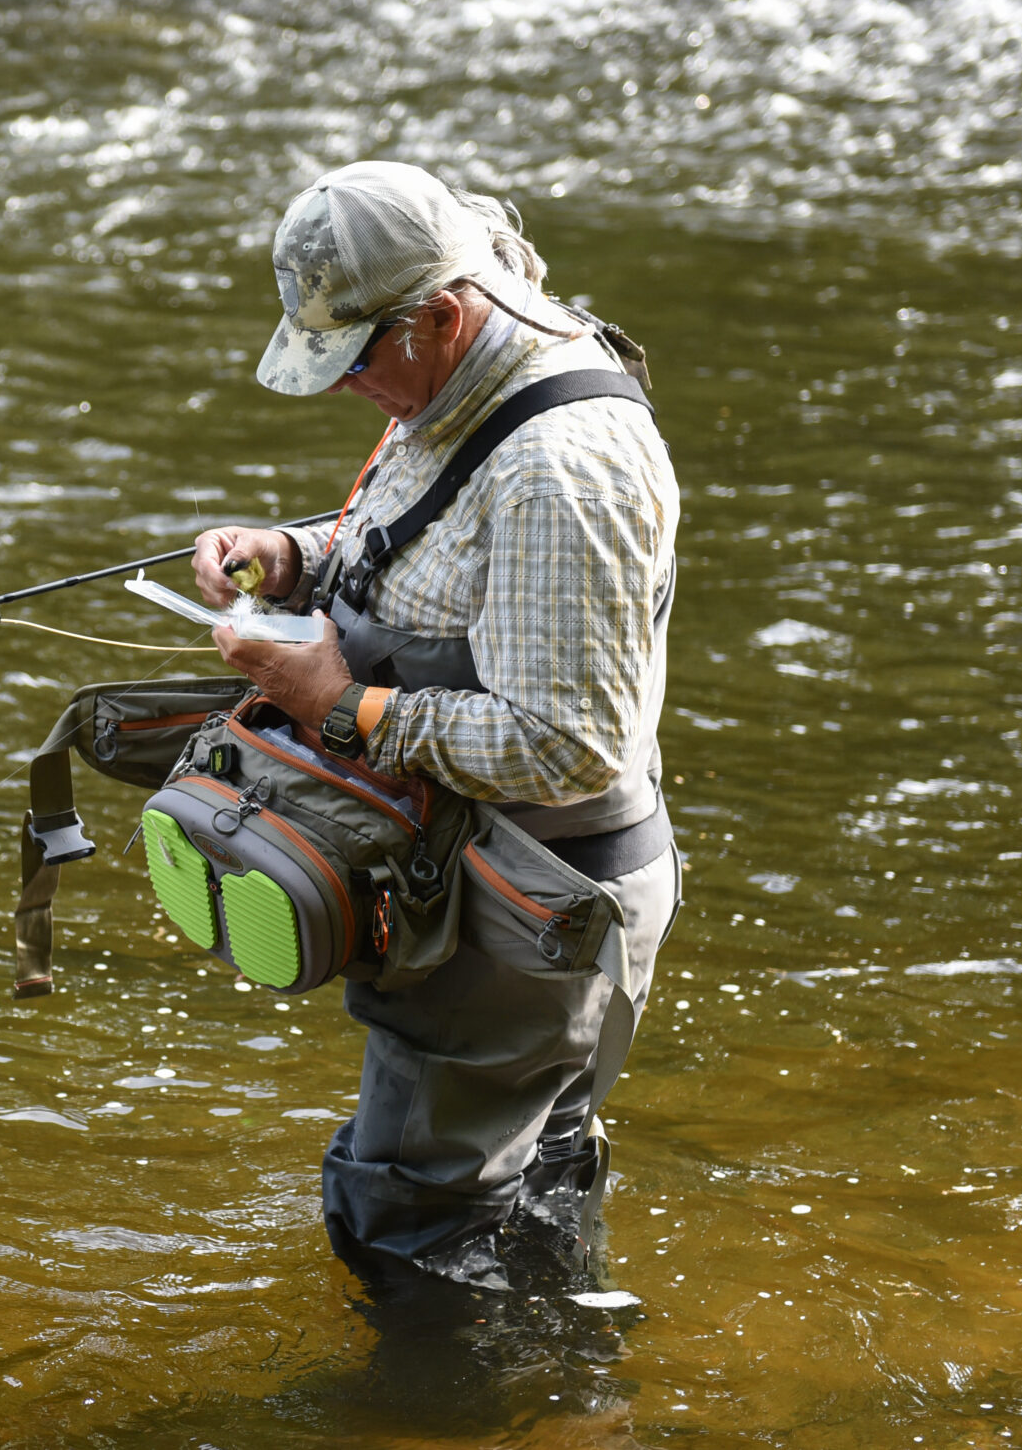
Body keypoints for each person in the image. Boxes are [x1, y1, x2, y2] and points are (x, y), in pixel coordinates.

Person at [190, 160, 681, 1293]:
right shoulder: (469, 366)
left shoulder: (563, 467)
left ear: (443, 311)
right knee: (525, 1203)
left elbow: (570, 744)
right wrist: (297, 551)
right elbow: (443, 550)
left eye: (353, 359)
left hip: (527, 905)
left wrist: (335, 704)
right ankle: (563, 1398)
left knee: (409, 1220)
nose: (339, 388)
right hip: (505, 892)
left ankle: (443, 1410)